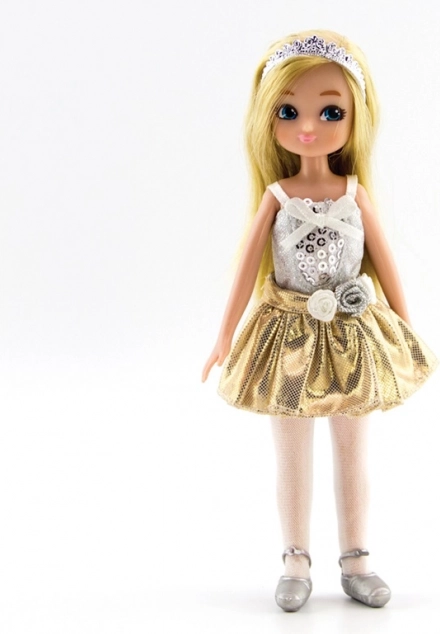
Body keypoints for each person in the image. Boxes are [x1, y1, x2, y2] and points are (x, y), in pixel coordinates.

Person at [202, 30, 437, 611]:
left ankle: (357, 559)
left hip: (353, 339)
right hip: (286, 339)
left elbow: (385, 264)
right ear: (269, 119)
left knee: (353, 450)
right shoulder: (277, 196)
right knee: (291, 453)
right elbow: (246, 267)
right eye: (289, 112)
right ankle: (295, 559)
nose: (308, 127)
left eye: (330, 112)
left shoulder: (354, 194)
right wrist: (223, 336)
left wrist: (405, 328)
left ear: (356, 117)